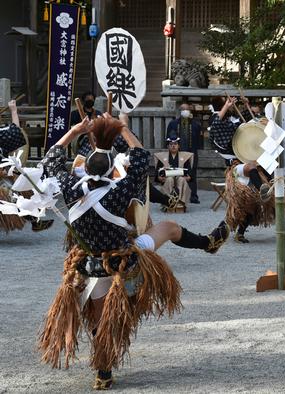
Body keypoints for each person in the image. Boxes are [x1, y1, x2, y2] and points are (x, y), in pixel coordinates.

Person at [37, 114, 229, 390]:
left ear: (84, 170)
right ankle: (103, 369)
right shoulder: (119, 191)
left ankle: (104, 372)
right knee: (167, 229)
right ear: (109, 173)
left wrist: (76, 130)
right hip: (120, 263)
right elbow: (141, 156)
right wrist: (123, 127)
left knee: (101, 316)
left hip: (86, 266)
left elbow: (51, 158)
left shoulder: (71, 189)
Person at [208, 96, 285, 243]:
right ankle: (262, 187)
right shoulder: (216, 124)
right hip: (235, 168)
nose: (230, 107)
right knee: (237, 205)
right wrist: (226, 107)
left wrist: (247, 105)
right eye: (226, 105)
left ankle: (240, 233)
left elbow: (248, 123)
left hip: (250, 164)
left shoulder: (232, 121)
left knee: (252, 204)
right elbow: (217, 124)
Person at [0, 99, 53, 232]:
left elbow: (15, 132)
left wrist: (14, 110)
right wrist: (14, 111)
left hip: (3, 173)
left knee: (21, 190)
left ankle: (35, 220)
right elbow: (15, 131)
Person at [167, 103, 202, 204]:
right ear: (180, 111)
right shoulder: (173, 124)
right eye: (183, 109)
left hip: (192, 152)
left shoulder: (195, 124)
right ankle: (176, 194)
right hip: (177, 152)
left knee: (192, 174)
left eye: (187, 109)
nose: (186, 111)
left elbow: (199, 140)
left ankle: (193, 196)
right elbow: (168, 138)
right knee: (176, 173)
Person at [155, 133, 193, 209]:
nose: (173, 146)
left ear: (179, 146)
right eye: (171, 144)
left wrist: (189, 177)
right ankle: (168, 201)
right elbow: (157, 172)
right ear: (168, 146)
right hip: (167, 178)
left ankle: (181, 202)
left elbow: (189, 173)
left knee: (182, 180)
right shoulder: (162, 157)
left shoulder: (185, 157)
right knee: (169, 179)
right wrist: (159, 178)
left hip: (180, 177)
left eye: (175, 144)